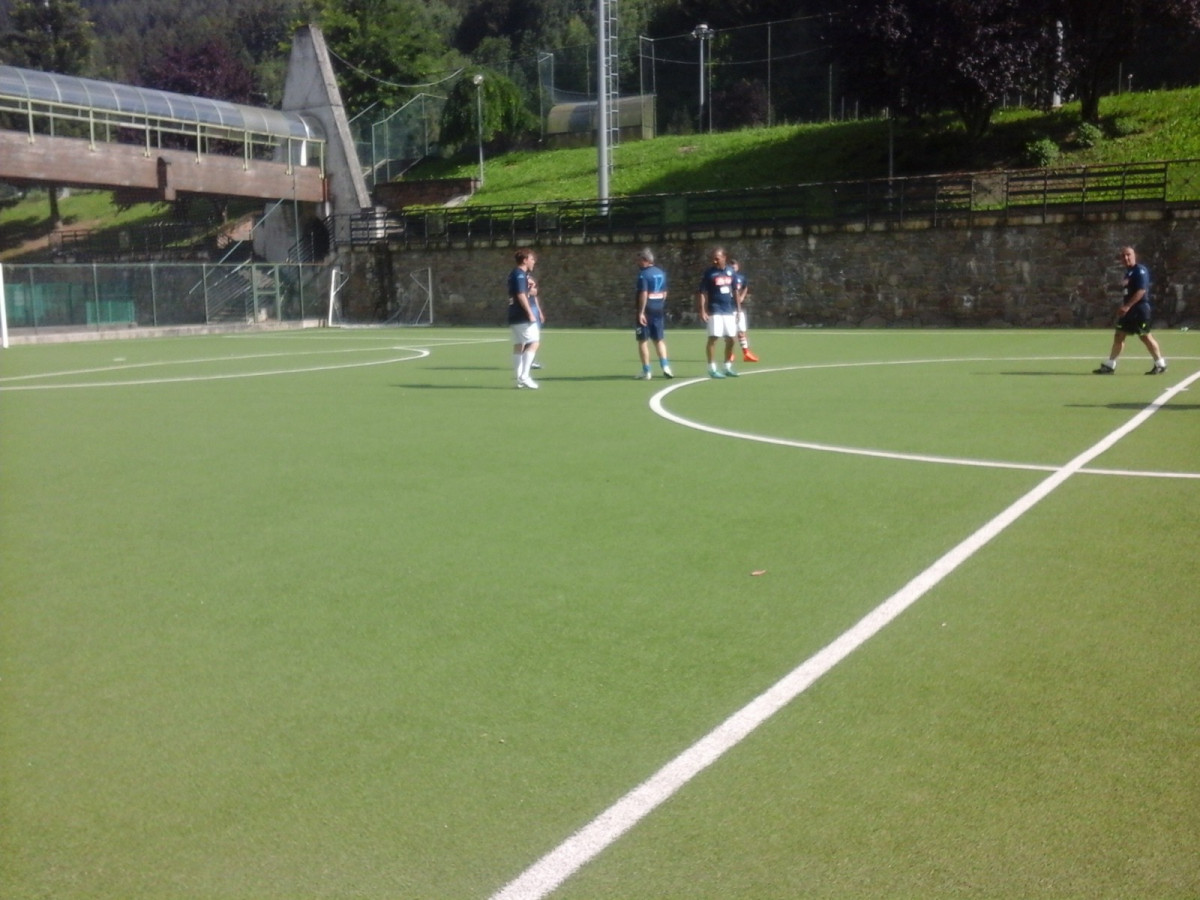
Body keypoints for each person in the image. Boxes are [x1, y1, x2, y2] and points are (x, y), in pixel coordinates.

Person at [1094, 246, 1167, 375]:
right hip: (1129, 312)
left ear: (1134, 256)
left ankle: (1160, 364)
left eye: (1128, 255)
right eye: (1123, 256)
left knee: (1145, 336)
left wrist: (1127, 306)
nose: (1126, 258)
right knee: (1119, 335)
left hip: (1139, 310)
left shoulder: (1140, 271)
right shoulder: (1128, 273)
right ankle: (1110, 365)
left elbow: (1141, 291)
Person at [696, 246, 741, 378]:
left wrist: (738, 310)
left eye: (717, 258)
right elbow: (702, 292)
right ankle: (712, 368)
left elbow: (735, 291)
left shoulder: (731, 272)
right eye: (713, 259)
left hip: (728, 310)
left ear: (724, 258)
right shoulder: (709, 273)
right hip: (715, 309)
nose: (714, 261)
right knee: (714, 337)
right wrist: (702, 310)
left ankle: (727, 366)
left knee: (732, 339)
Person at [634, 247, 674, 379]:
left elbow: (644, 293)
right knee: (659, 340)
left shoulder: (643, 274)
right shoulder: (661, 272)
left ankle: (647, 371)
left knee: (643, 340)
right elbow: (665, 292)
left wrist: (641, 312)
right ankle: (666, 367)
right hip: (658, 309)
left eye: (639, 260)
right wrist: (660, 304)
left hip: (646, 311)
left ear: (645, 260)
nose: (637, 263)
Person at [507, 247, 541, 389]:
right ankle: (525, 376)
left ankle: (519, 378)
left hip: (514, 314)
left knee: (519, 344)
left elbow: (527, 292)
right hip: (522, 315)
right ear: (525, 260)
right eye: (532, 259)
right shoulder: (520, 274)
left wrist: (531, 289)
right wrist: (530, 313)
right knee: (534, 342)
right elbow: (521, 295)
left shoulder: (516, 274)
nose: (534, 262)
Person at [727, 258, 759, 364]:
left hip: (738, 308)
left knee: (741, 332)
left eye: (734, 265)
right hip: (728, 309)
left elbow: (745, 287)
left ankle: (746, 353)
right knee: (730, 333)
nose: (733, 267)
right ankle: (730, 354)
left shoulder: (741, 277)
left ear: (738, 267)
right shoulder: (725, 277)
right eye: (731, 265)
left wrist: (742, 297)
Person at [527, 275, 544, 370]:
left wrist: (540, 312)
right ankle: (527, 361)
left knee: (535, 336)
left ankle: (531, 360)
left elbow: (535, 298)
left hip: (534, 310)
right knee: (530, 338)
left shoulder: (532, 287)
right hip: (528, 310)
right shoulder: (521, 288)